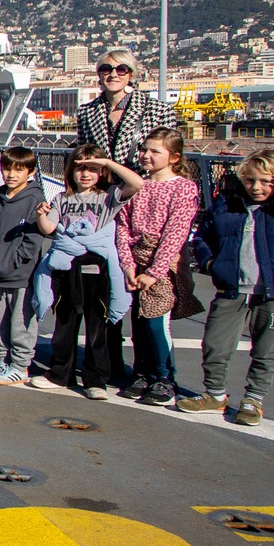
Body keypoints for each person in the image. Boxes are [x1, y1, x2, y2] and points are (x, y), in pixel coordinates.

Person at [181, 147, 274, 424]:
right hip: (232, 287)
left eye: (266, 181)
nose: (257, 187)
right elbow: (202, 236)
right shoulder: (228, 203)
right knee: (216, 343)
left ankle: (254, 400)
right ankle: (214, 394)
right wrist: (211, 264)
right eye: (250, 180)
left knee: (266, 348)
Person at [31, 144, 138, 400]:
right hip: (67, 270)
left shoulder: (109, 196)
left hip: (97, 271)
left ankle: (96, 380)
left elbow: (137, 183)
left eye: (92, 169)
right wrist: (41, 216)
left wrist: (108, 163)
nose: (86, 174)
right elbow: (49, 229)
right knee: (65, 325)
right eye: (80, 169)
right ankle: (60, 374)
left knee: (97, 327)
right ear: (71, 172)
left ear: (102, 172)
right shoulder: (62, 199)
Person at [114, 127, 201, 406]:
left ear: (174, 157)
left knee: (155, 322)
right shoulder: (137, 185)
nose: (146, 156)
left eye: (155, 151)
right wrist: (128, 265)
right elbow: (122, 227)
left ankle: (165, 377)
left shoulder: (183, 188)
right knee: (138, 323)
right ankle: (143, 372)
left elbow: (176, 233)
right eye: (144, 150)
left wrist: (153, 273)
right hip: (135, 261)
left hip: (162, 266)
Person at [0, 146, 55, 388]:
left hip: (20, 275)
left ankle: (20, 365)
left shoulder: (35, 199)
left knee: (21, 322)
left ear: (30, 172)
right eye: (7, 168)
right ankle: (1, 359)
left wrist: (15, 262)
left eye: (18, 170)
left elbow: (33, 242)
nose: (11, 174)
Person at [74, 47, 179, 170]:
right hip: (103, 186)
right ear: (99, 74)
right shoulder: (86, 112)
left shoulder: (160, 110)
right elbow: (83, 154)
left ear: (131, 74)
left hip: (142, 183)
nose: (113, 75)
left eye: (121, 70)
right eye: (106, 69)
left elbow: (169, 155)